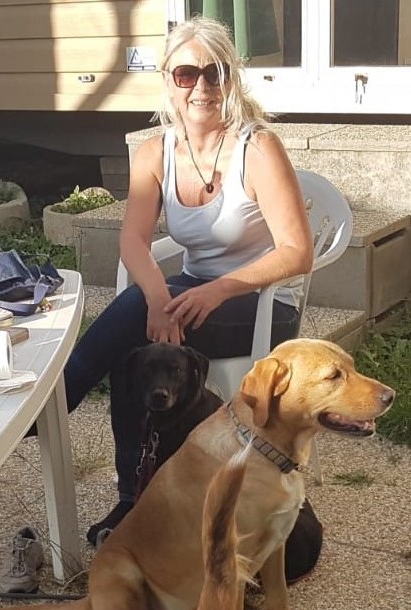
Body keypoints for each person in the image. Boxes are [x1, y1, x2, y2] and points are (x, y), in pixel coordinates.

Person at [63, 15, 313, 545]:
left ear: (231, 77)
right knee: (134, 345)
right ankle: (138, 494)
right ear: (168, 80)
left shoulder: (258, 148)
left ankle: (58, 402)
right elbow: (133, 240)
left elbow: (298, 252)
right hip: (187, 296)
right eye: (186, 74)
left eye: (214, 72)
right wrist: (159, 297)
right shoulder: (155, 153)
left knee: (133, 323)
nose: (201, 87)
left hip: (260, 303)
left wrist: (218, 288)